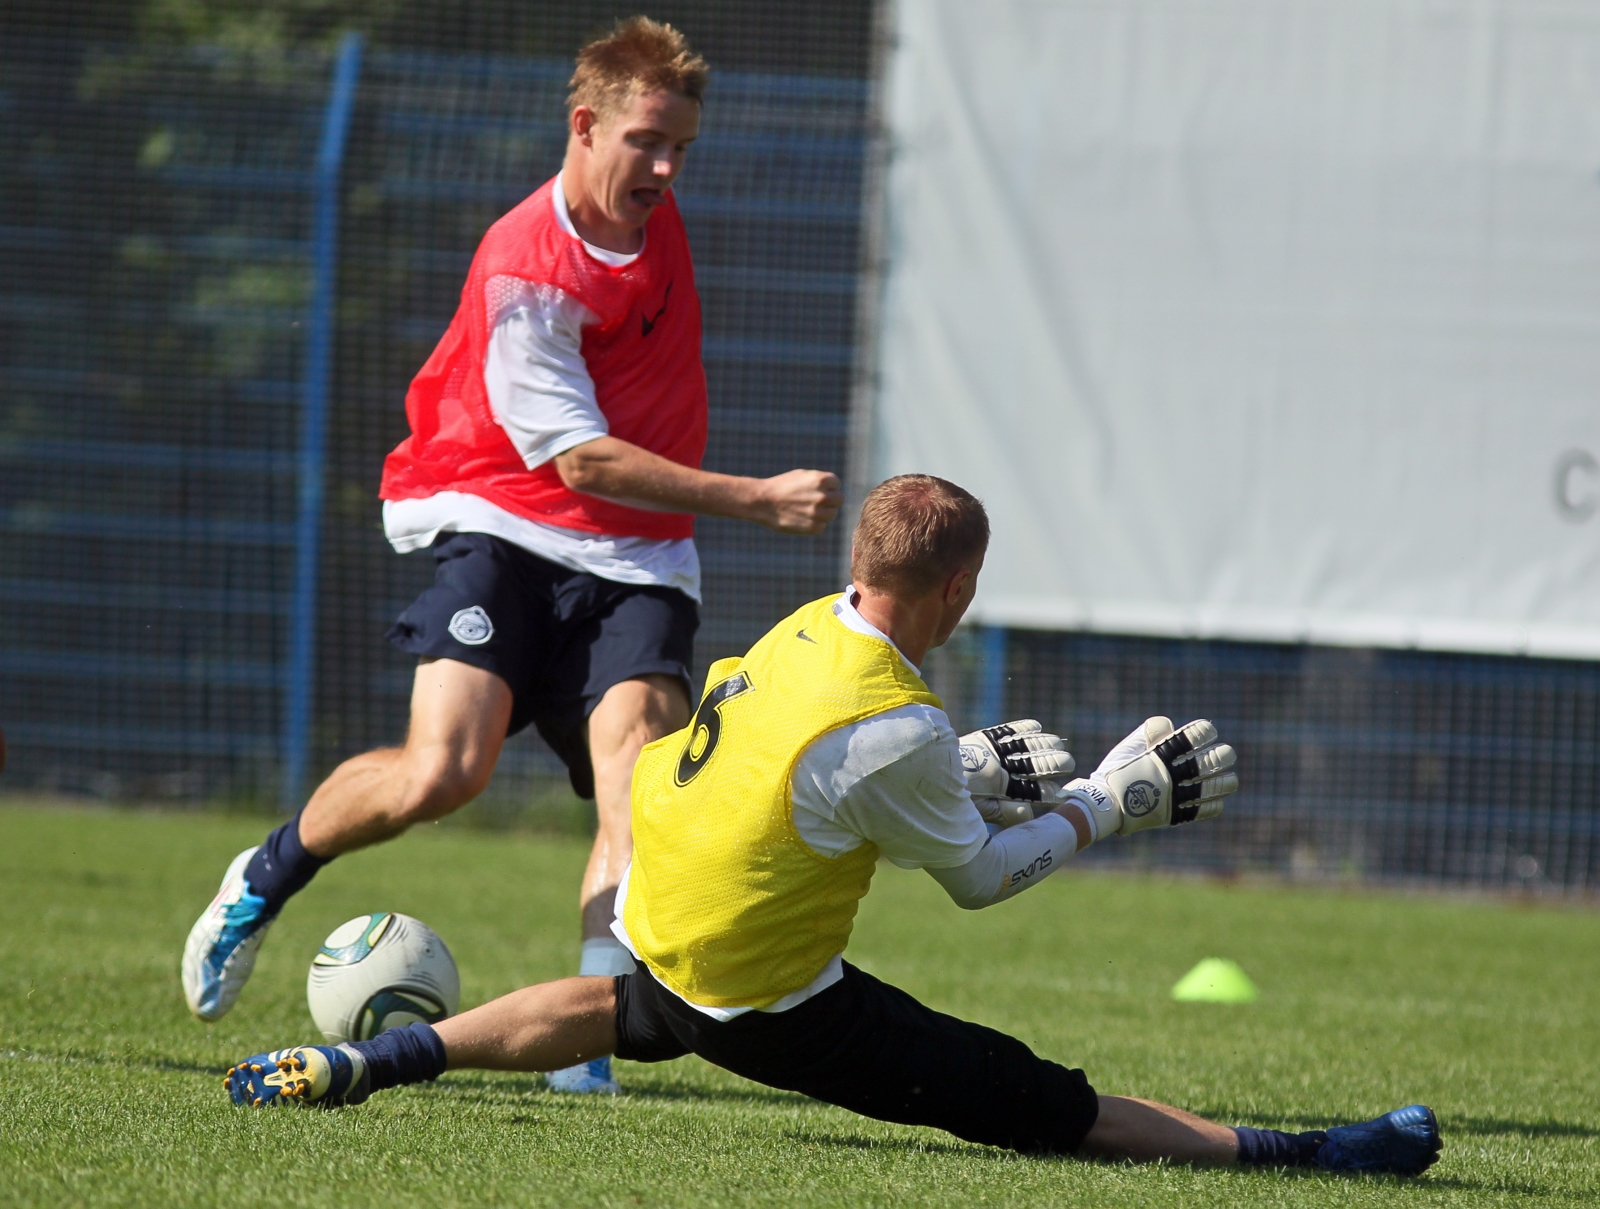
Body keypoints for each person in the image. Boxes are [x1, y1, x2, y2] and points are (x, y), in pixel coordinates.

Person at [220, 475, 1442, 1177]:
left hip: (660, 913)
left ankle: (363, 1062)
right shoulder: (893, 724)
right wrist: (1096, 809)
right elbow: (974, 883)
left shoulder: (810, 626)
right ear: (956, 589)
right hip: (771, 1000)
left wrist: (961, 770)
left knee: (626, 1012)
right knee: (1035, 1101)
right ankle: (1298, 1156)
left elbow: (809, 783)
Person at [182, 17, 843, 1095]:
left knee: (639, 779)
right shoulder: (524, 266)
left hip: (638, 558)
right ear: (584, 128)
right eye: (646, 140)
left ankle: (583, 1046)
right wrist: (754, 498)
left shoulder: (651, 212)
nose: (667, 167)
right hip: (506, 517)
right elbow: (578, 463)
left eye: (682, 145)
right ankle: (263, 876)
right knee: (443, 772)